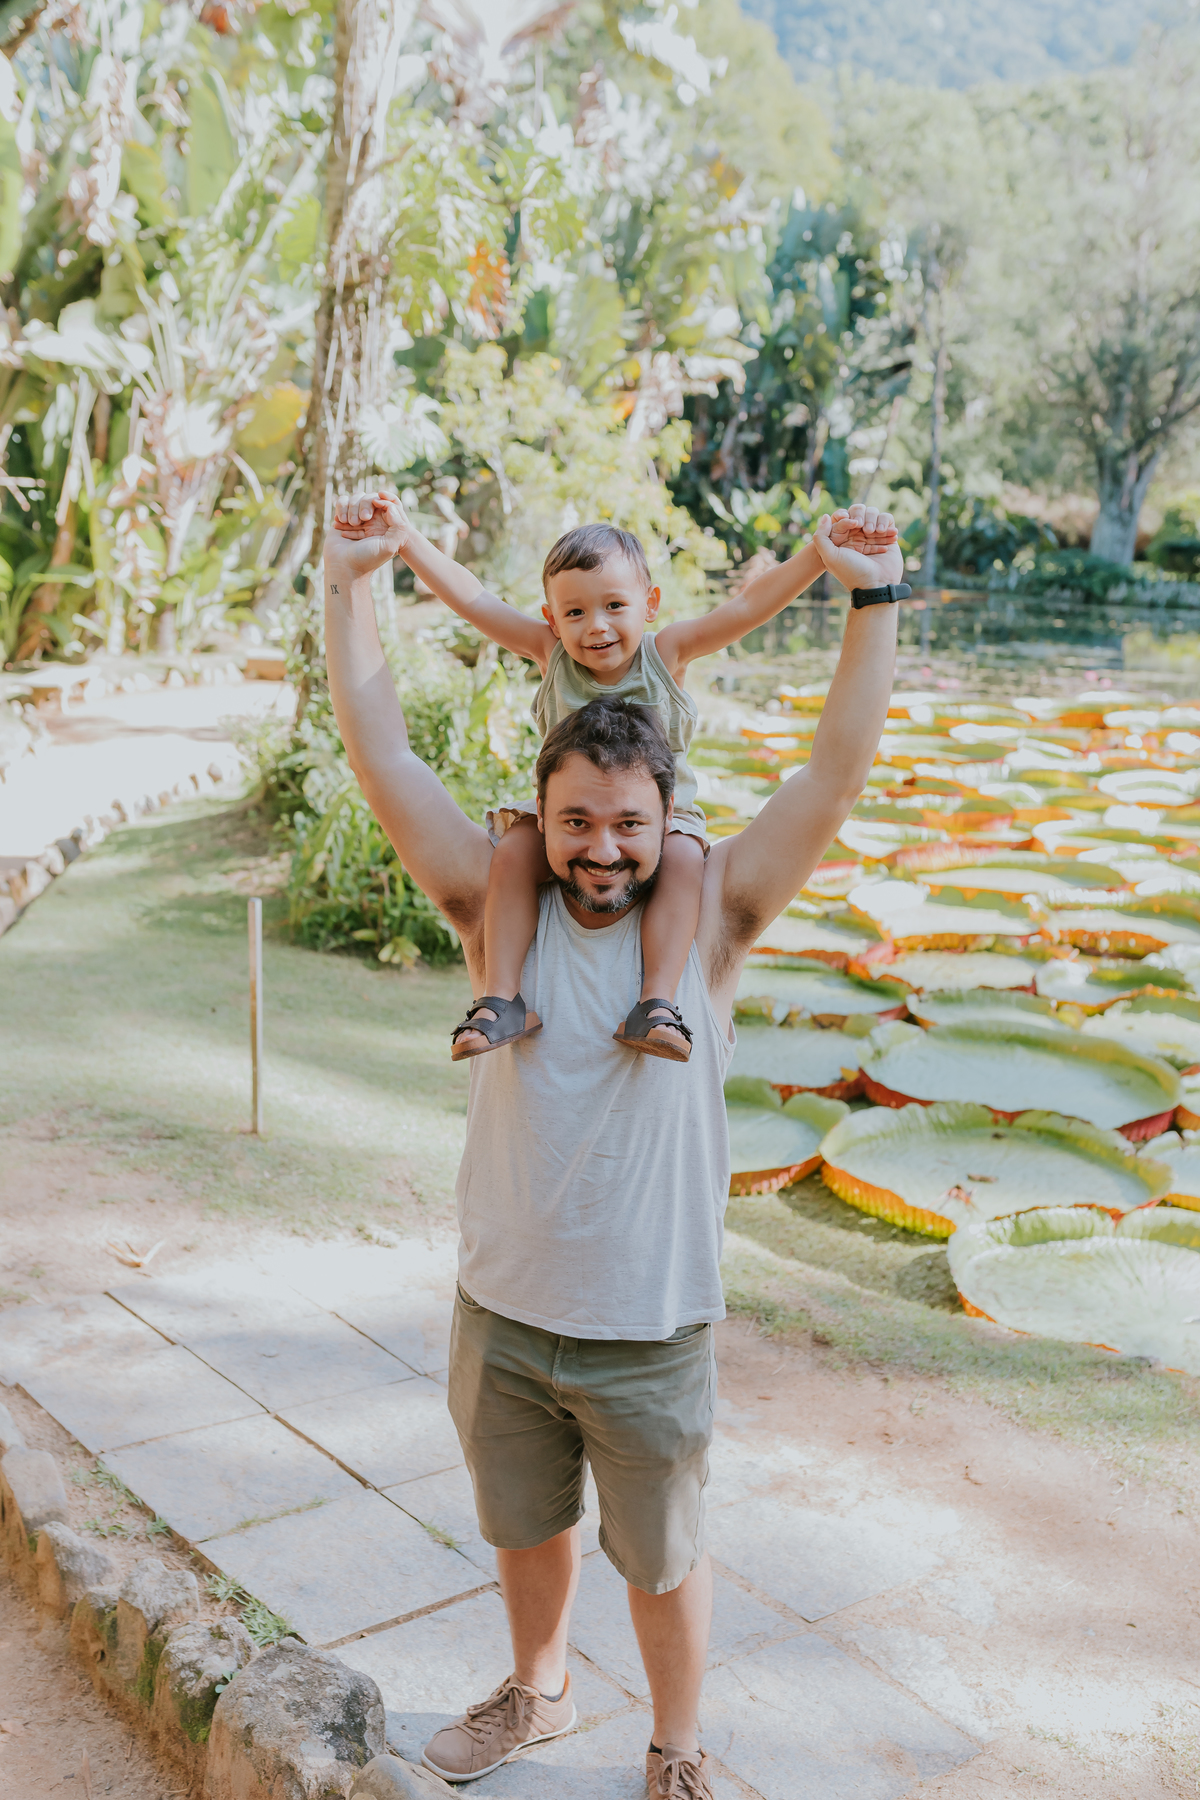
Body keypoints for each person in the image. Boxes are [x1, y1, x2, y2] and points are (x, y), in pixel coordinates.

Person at [323, 497, 905, 1798]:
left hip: (649, 1325)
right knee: (526, 1530)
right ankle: (538, 1690)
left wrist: (868, 599)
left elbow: (832, 775)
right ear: (542, 815)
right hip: (506, 1313)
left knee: (661, 1559)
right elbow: (382, 754)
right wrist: (349, 578)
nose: (601, 849)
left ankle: (677, 1749)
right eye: (575, 824)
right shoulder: (492, 909)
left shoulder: (713, 925)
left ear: (665, 822)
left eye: (629, 827)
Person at [331, 496, 897, 1064]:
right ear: (551, 617)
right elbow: (473, 598)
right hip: (554, 815)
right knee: (511, 851)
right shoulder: (549, 652)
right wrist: (404, 539)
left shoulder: (668, 652)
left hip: (670, 826)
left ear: (648, 604)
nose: (595, 627)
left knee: (683, 864)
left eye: (614, 606)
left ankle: (657, 1003)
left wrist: (819, 558)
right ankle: (500, 997)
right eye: (574, 613)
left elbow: (748, 607)